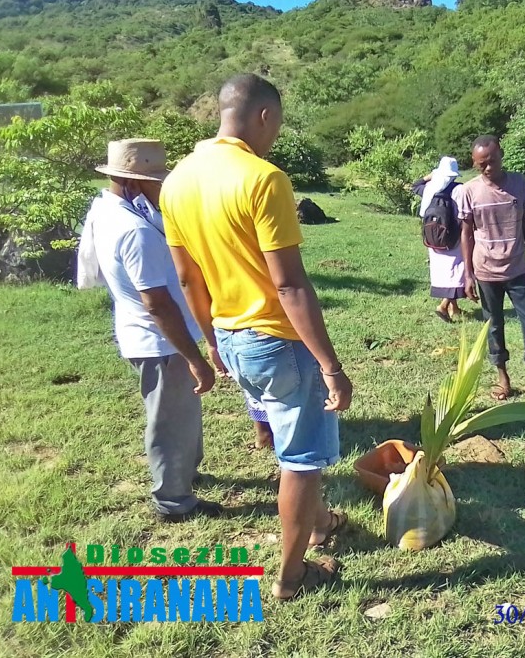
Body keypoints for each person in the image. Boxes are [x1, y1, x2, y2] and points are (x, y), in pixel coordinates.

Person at [159, 74, 352, 601]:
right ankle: (292, 576)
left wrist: (212, 339)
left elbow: (187, 278)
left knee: (289, 441)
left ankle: (319, 524)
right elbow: (289, 284)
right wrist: (331, 366)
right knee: (302, 460)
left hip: (230, 334)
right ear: (265, 116)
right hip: (278, 339)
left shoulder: (176, 182)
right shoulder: (264, 178)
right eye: (278, 124)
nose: (275, 134)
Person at [77, 139, 222, 522]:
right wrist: (195, 358)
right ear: (134, 183)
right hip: (161, 343)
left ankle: (184, 473)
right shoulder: (133, 230)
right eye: (157, 182)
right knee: (170, 423)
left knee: (181, 414)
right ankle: (173, 501)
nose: (163, 189)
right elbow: (157, 303)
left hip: (147, 335)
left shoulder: (108, 209)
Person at [459, 135, 525, 402]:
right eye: (481, 164)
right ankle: (503, 380)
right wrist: (468, 274)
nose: (487, 168)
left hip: (517, 267)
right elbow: (466, 233)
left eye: (492, 161)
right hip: (485, 270)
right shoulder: (469, 191)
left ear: (501, 155)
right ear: (474, 162)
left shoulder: (519, 183)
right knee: (493, 326)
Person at [412, 156, 465, 322]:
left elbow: (415, 186)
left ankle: (454, 308)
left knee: (446, 273)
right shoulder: (459, 189)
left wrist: (430, 176)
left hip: (433, 238)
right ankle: (443, 306)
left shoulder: (429, 188)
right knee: (458, 272)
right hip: (454, 237)